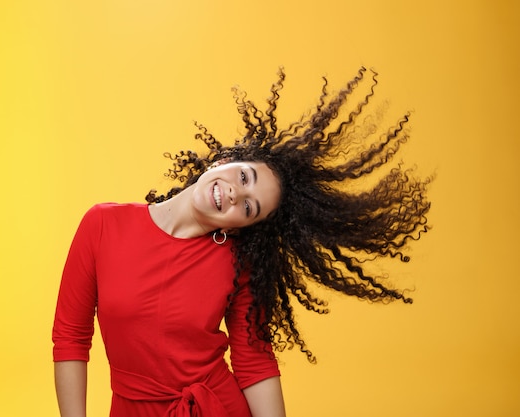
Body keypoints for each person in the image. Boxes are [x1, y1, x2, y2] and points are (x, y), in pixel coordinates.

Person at [52, 67, 432, 417]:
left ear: (238, 227)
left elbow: (254, 360)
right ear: (224, 162)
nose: (236, 194)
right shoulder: (102, 223)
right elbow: (70, 336)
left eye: (250, 208)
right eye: (245, 177)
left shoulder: (236, 262)